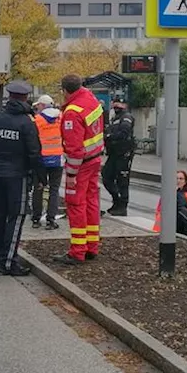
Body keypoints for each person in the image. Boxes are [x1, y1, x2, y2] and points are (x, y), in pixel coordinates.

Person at [0, 81, 41, 276]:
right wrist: (38, 177)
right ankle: (8, 262)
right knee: (16, 217)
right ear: (25, 98)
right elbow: (34, 153)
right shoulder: (27, 123)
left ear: (9, 97)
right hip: (18, 177)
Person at [57, 74, 105, 265]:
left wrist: (71, 174)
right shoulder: (91, 100)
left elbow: (75, 149)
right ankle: (91, 246)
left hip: (81, 164)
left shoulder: (72, 113)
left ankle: (77, 251)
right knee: (91, 201)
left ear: (65, 90)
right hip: (95, 159)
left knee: (76, 204)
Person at [31, 95, 63, 230]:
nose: (36, 107)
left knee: (38, 189)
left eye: (38, 105)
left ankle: (36, 219)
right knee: (54, 190)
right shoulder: (61, 117)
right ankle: (51, 219)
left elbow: (32, 139)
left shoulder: (37, 120)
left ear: (43, 105)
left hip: (41, 160)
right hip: (57, 158)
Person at [101, 100, 136, 216]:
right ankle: (117, 200)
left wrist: (109, 137)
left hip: (123, 154)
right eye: (115, 104)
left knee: (122, 180)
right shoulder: (115, 118)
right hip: (114, 154)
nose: (117, 106)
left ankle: (122, 206)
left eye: (120, 104)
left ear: (125, 105)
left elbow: (124, 133)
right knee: (106, 176)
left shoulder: (126, 117)